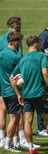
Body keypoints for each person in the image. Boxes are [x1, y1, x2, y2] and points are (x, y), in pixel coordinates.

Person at [10, 35, 48, 154]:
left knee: (28, 121)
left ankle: (31, 148)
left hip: (26, 94)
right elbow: (45, 72)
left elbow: (12, 78)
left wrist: (18, 94)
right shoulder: (41, 55)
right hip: (39, 93)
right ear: (36, 43)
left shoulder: (23, 59)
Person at [0, 17, 22, 146]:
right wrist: (19, 93)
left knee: (4, 111)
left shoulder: (2, 54)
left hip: (3, 88)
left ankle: (11, 140)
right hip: (13, 89)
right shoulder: (16, 56)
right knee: (15, 118)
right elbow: (17, 75)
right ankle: (9, 143)